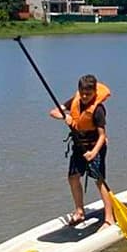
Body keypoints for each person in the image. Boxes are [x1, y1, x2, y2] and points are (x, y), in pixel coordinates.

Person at [50, 73, 115, 228]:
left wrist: (93, 153)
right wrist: (65, 116)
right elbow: (53, 112)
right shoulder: (75, 101)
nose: (85, 96)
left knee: (100, 181)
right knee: (73, 177)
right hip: (79, 147)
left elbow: (102, 136)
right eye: (82, 93)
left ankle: (109, 218)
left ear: (94, 92)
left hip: (95, 147)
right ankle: (79, 211)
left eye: (88, 94)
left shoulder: (98, 110)